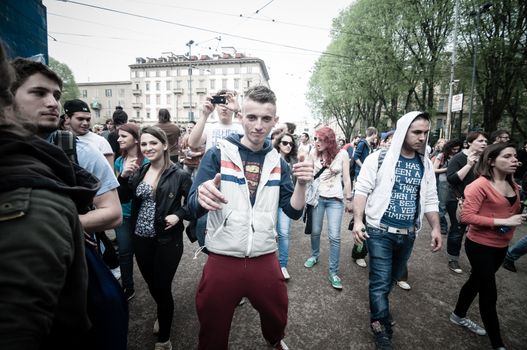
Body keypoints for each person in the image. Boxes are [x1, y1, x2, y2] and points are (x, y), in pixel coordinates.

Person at [187, 86, 313, 350]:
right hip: (222, 255)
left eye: (266, 119)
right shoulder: (218, 153)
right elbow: (191, 205)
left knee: (277, 314)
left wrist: (302, 184)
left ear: (275, 121)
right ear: (241, 115)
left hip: (264, 255)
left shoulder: (278, 162)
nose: (258, 126)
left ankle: (274, 340)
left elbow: (293, 211)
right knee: (212, 325)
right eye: (252, 117)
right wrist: (201, 196)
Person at [0, 41, 99, 350]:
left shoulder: (81, 152)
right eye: (38, 93)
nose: (54, 103)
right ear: (8, 99)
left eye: (56, 95)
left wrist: (69, 224)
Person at [352, 111, 442, 350]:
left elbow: (431, 198)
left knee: (392, 278)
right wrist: (359, 221)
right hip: (379, 231)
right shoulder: (378, 159)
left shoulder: (425, 164)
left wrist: (436, 228)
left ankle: (380, 309)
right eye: (417, 132)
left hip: (409, 233)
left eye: (425, 132)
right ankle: (379, 324)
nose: (422, 137)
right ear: (403, 131)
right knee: (380, 282)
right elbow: (361, 190)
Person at [118, 126, 192, 350]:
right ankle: (163, 310)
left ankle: (164, 340)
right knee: (153, 285)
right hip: (141, 238)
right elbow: (123, 198)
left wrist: (178, 215)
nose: (148, 148)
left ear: (165, 145)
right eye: (144, 144)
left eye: (153, 143)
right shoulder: (140, 171)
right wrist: (123, 177)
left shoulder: (180, 174)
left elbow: (193, 204)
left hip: (167, 240)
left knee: (162, 286)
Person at [450, 142, 523, 350]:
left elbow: (509, 211)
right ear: (491, 161)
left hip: (501, 246)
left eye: (514, 156)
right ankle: (498, 344)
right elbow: (466, 217)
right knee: (489, 294)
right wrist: (504, 222)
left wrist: (515, 217)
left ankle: (458, 315)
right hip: (480, 245)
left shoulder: (514, 184)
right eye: (507, 156)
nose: (514, 160)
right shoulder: (479, 185)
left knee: (476, 281)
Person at [188, 89, 243, 248]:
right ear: (216, 106)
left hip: (235, 183)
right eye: (221, 103)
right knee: (208, 226)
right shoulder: (210, 127)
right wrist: (205, 114)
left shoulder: (241, 127)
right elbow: (192, 143)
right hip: (212, 182)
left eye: (228, 102)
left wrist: (238, 110)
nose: (224, 107)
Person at [304, 126, 353, 290]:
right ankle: (315, 255)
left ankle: (333, 272)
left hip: (335, 200)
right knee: (316, 231)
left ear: (329, 140)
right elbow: (308, 175)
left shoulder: (342, 154)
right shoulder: (313, 152)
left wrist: (349, 199)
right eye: (315, 138)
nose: (316, 142)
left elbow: (346, 178)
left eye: (319, 139)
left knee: (335, 237)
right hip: (318, 198)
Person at [446, 131, 488, 274]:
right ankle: (453, 258)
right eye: (481, 141)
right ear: (470, 142)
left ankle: (476, 262)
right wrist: (469, 164)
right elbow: (452, 179)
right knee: (458, 230)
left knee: (477, 231)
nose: (484, 144)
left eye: (485, 141)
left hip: (479, 200)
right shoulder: (458, 158)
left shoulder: (485, 159)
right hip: (458, 200)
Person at [114, 123, 148, 300]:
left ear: (136, 139)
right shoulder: (120, 161)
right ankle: (127, 287)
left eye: (123, 136)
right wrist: (123, 176)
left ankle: (154, 284)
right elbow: (117, 192)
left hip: (143, 215)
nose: (119, 139)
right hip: (124, 214)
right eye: (118, 136)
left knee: (146, 253)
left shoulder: (148, 161)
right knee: (125, 251)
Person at [274, 132, 298, 280]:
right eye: (284, 143)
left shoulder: (294, 161)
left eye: (290, 143)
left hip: (285, 202)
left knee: (283, 234)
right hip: (268, 202)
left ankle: (282, 265)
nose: (288, 145)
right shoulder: (270, 157)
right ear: (278, 144)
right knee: (266, 234)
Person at [63, 99, 114, 167]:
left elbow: (109, 174)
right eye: (80, 119)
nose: (85, 123)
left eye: (88, 119)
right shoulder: (60, 139)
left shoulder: (101, 142)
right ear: (67, 118)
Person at [433, 140, 463, 235]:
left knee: (456, 205)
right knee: (441, 205)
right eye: (453, 149)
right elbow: (434, 169)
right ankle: (443, 225)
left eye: (457, 149)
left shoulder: (460, 156)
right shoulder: (442, 156)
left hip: (457, 183)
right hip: (444, 183)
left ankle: (455, 225)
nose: (455, 151)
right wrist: (448, 169)